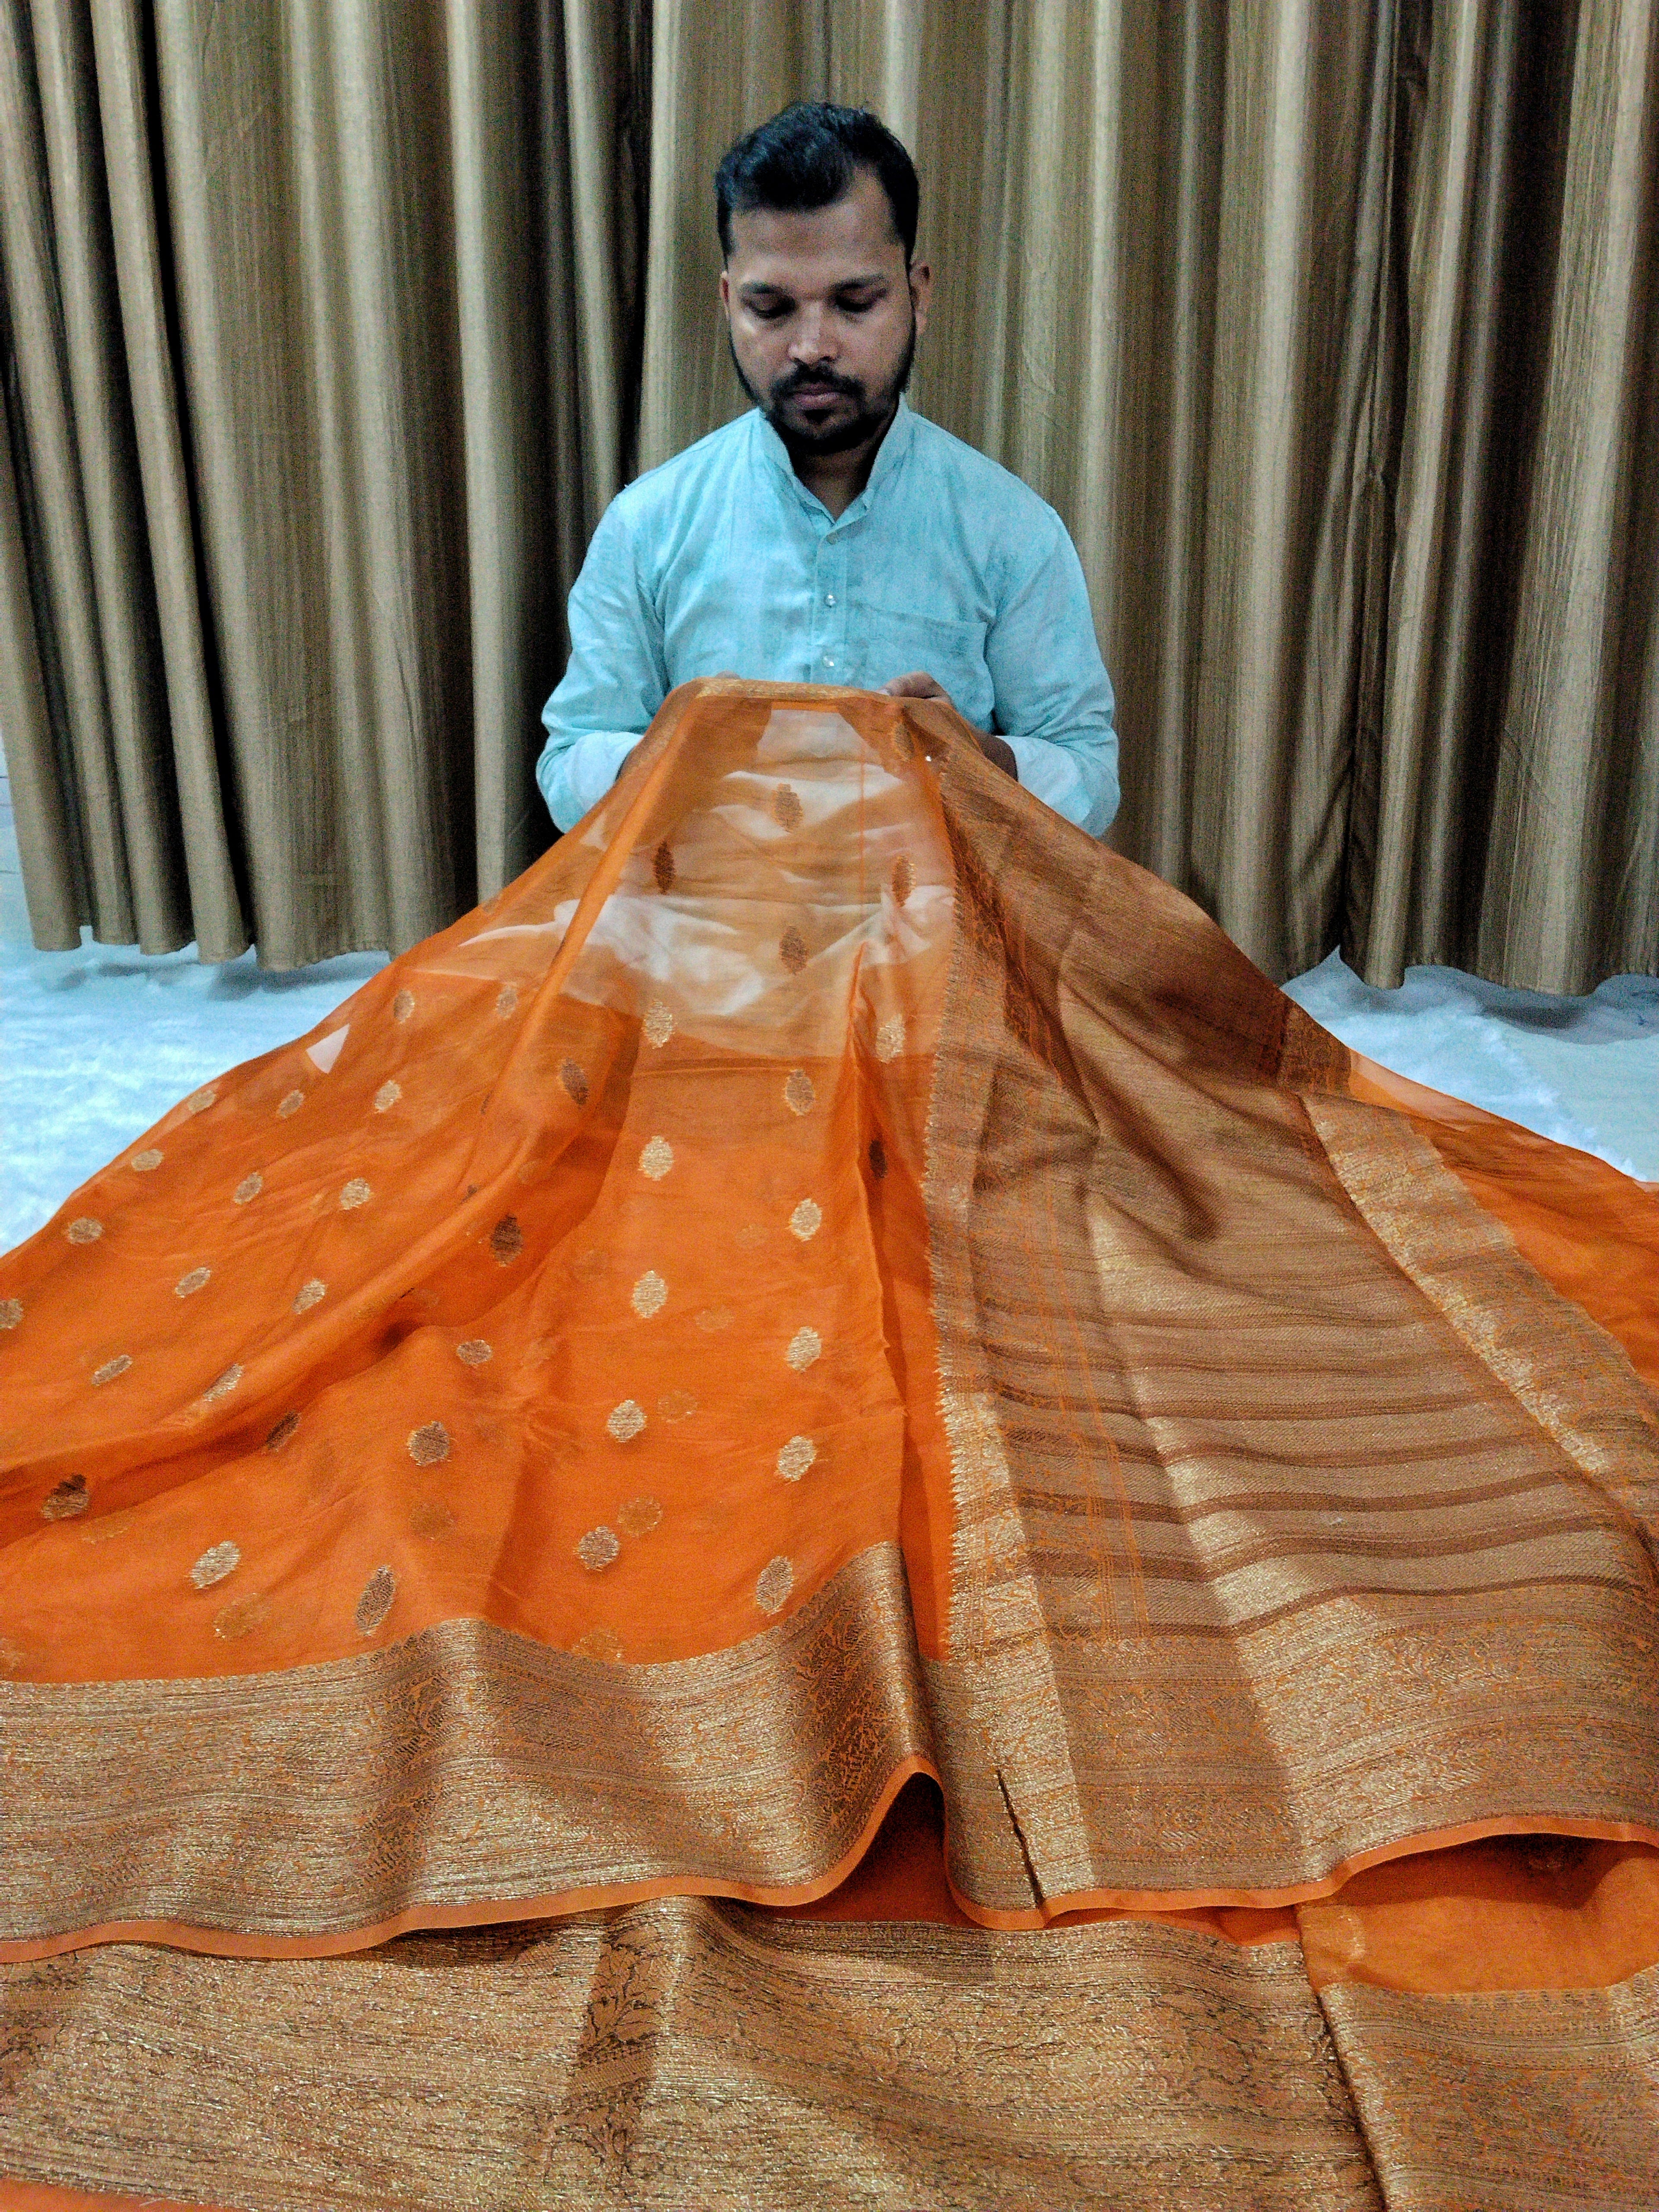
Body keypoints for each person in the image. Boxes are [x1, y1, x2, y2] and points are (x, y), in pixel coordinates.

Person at [535, 102, 1119, 839]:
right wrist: (665, 753)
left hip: (937, 940)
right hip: (705, 936)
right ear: (727, 303)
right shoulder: (649, 525)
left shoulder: (1009, 529)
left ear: (919, 293)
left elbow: (1091, 773)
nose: (812, 346)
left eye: (854, 302)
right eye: (772, 308)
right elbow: (568, 765)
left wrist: (987, 761)